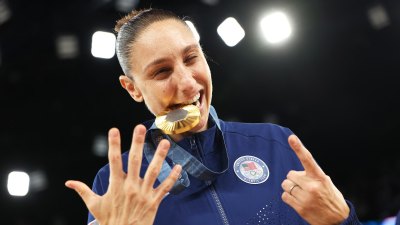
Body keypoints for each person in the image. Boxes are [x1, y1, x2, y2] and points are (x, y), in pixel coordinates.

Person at [65, 8, 361, 225]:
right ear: (132, 89)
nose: (188, 83)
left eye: (191, 58)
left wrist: (342, 221)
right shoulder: (116, 184)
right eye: (162, 71)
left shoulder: (275, 142)